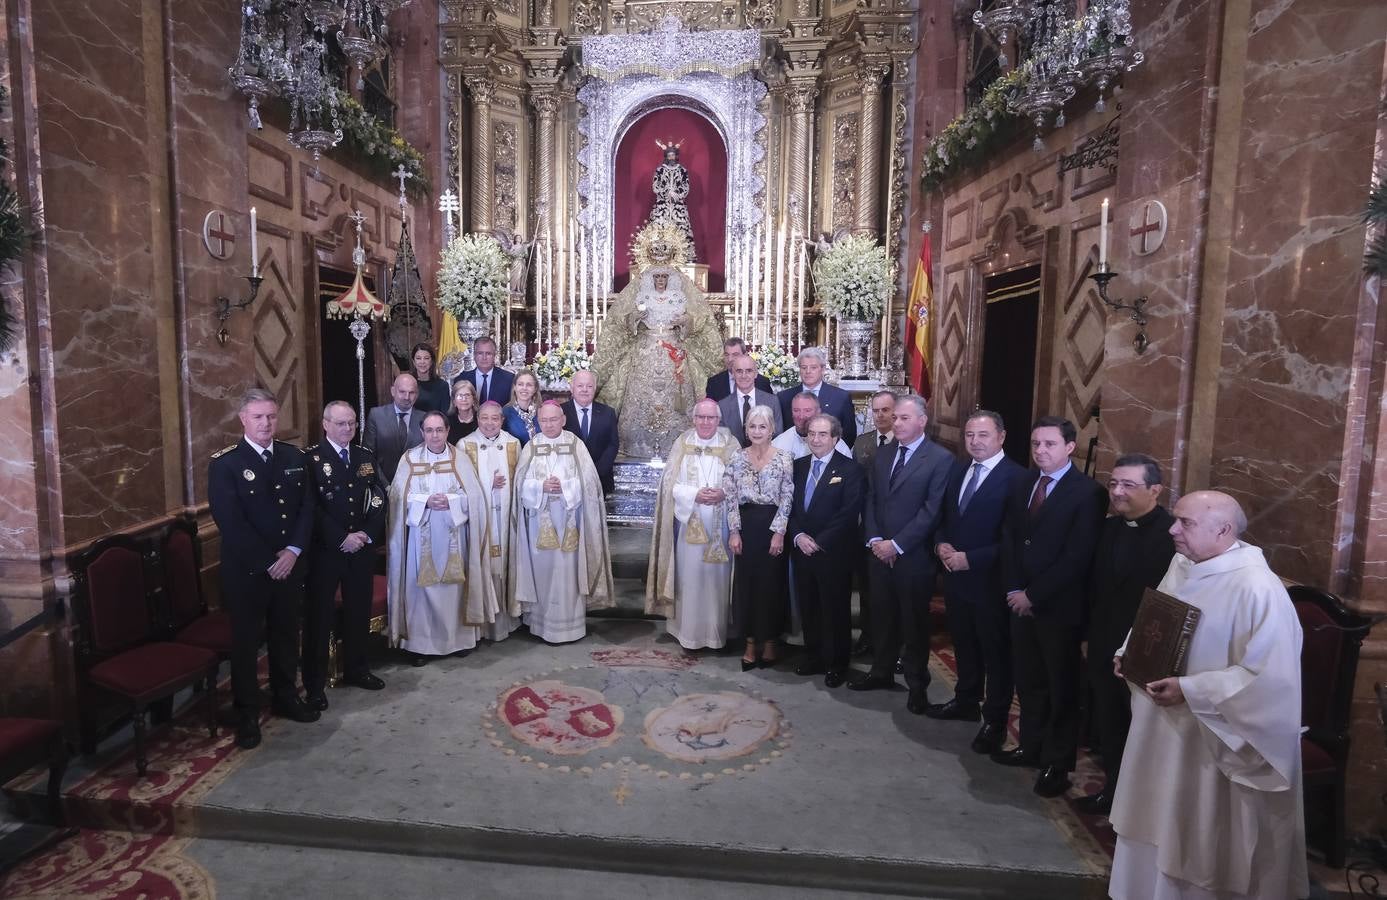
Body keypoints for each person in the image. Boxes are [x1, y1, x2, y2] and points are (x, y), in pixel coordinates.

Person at [1109, 491, 1307, 900]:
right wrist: (1129, 654)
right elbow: (1154, 621)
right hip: (1160, 732)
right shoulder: (1184, 565)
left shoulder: (1257, 589)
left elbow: (1270, 681)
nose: (1171, 529)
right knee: (1152, 820)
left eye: (1185, 523)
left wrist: (1190, 690)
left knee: (1195, 837)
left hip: (1209, 744)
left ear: (1224, 530)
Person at [995, 415, 1107, 799]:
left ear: (1070, 447)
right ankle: (1030, 744)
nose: (1041, 451)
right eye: (1036, 444)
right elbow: (1010, 538)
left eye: (1050, 445)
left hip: (1057, 607)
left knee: (1061, 686)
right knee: (1028, 680)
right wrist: (1014, 588)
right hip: (1018, 599)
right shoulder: (1024, 481)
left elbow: (1077, 555)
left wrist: (1034, 595)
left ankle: (1057, 763)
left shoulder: (1088, 493)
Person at [207, 388, 319, 750]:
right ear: (243, 419)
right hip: (248, 572)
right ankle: (247, 712)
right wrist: (269, 561)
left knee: (286, 634)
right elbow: (231, 522)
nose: (266, 423)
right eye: (258, 417)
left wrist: (293, 551)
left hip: (289, 565)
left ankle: (286, 696)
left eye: (271, 416)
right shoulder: (225, 464)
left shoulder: (293, 456)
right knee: (245, 643)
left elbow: (306, 507)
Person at [1076, 452, 1175, 816]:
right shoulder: (1108, 528)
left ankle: (1143, 806)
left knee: (1143, 729)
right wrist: (1088, 636)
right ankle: (1114, 791)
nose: (1117, 492)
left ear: (1155, 490)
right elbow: (1093, 588)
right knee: (1111, 723)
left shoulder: (1172, 537)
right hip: (1104, 643)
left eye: (1128, 485)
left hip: (1147, 649)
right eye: (1113, 483)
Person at [927, 410, 1027, 754]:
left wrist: (972, 558)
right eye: (970, 435)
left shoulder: (1017, 478)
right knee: (965, 644)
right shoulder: (959, 470)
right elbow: (944, 517)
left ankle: (996, 720)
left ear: (1001, 437)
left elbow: (1014, 540)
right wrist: (940, 543)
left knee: (995, 654)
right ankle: (965, 700)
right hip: (955, 580)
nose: (975, 442)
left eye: (983, 435)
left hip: (990, 582)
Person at [850, 395, 952, 712]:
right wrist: (876, 539)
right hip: (879, 553)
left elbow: (932, 510)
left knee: (913, 624)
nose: (897, 423)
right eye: (895, 418)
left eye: (904, 418)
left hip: (913, 556)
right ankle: (880, 671)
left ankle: (917, 685)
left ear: (922, 420)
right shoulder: (883, 454)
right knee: (881, 617)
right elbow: (871, 499)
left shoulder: (940, 459)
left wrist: (897, 544)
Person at [385, 411, 493, 665]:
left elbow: (475, 499)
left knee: (454, 589)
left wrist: (452, 500)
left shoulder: (461, 459)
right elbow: (397, 499)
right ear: (422, 433)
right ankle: (421, 646)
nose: (434, 435)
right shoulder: (409, 460)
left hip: (453, 536)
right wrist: (425, 501)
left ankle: (458, 641)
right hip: (420, 539)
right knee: (420, 591)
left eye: (439, 430)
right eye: (429, 430)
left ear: (447, 431)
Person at [301, 401, 387, 712]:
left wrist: (365, 535)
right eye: (340, 424)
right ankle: (314, 685)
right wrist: (341, 538)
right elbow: (312, 508)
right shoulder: (311, 460)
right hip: (327, 552)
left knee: (358, 610)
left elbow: (378, 497)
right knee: (319, 617)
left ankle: (357, 668)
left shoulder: (363, 456)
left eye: (351, 423)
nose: (347, 429)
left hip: (361, 549)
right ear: (325, 424)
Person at [591, 264, 722, 459]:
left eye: (664, 276)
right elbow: (619, 320)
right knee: (640, 392)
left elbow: (701, 320)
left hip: (675, 352)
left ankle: (678, 442)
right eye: (657, 276)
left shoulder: (680, 294)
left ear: (670, 279)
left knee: (678, 394)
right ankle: (638, 443)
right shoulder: (640, 294)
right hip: (645, 350)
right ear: (651, 279)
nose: (660, 280)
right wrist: (634, 317)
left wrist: (686, 321)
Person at [510, 402, 614, 642]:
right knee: (543, 571)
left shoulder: (576, 445)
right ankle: (540, 623)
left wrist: (565, 487)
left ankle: (570, 625)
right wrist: (540, 486)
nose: (549, 424)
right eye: (544, 420)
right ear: (539, 421)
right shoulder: (532, 447)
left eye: (553, 419)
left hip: (571, 522)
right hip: (539, 523)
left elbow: (589, 484)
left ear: (563, 419)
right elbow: (520, 486)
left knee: (567, 572)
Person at [646, 399, 736, 651]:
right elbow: (669, 485)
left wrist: (722, 493)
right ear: (693, 419)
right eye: (701, 418)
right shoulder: (682, 444)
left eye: (711, 418)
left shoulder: (730, 444)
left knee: (717, 581)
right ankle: (688, 633)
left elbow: (741, 479)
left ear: (719, 421)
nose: (706, 423)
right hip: (689, 529)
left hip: (721, 528)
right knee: (690, 578)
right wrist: (694, 494)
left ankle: (716, 634)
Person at [787, 414, 866, 688]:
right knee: (809, 607)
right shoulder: (796, 466)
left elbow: (848, 513)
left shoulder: (850, 469)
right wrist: (797, 536)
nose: (816, 439)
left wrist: (818, 541)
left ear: (835, 438)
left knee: (834, 609)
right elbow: (789, 507)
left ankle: (836, 663)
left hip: (833, 553)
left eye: (822, 434)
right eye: (811, 434)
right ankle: (814, 656)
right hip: (801, 550)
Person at [723, 405, 793, 670]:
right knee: (747, 587)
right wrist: (734, 531)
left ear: (772, 429)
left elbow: (787, 496)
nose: (757, 431)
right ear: (746, 430)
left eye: (762, 426)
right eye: (752, 426)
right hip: (746, 527)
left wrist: (779, 532)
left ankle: (771, 642)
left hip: (773, 527)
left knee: (772, 587)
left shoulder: (784, 457)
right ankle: (751, 643)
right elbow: (730, 498)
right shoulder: (737, 458)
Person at [461, 401, 523, 642]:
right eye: (484, 418)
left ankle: (507, 619)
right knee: (484, 564)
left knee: (506, 564)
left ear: (502, 420)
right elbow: (463, 486)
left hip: (506, 519)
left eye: (495, 418)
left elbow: (519, 482)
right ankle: (483, 623)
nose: (489, 423)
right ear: (478, 419)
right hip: (481, 520)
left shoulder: (512, 444)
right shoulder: (465, 445)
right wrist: (489, 485)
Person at [849, 390, 897, 657]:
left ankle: (894, 644)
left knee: (893, 592)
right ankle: (867, 636)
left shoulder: (902, 442)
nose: (879, 416)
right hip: (865, 525)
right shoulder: (863, 442)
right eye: (875, 411)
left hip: (893, 528)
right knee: (866, 586)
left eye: (885, 410)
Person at [776, 346, 857, 447]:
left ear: (822, 369)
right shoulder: (784, 397)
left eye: (813, 367)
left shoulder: (841, 397)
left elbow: (849, 434)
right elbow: (780, 432)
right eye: (804, 367)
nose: (808, 371)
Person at [561, 369, 619, 494]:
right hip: (567, 480)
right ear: (572, 388)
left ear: (595, 389)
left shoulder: (608, 413)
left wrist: (596, 473)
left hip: (600, 480)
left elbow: (612, 445)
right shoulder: (560, 412)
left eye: (589, 386)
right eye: (580, 386)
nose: (584, 390)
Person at [363, 373, 426, 488]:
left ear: (417, 394)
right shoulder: (376, 415)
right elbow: (367, 456)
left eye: (411, 392)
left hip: (417, 489)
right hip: (382, 488)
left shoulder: (425, 419)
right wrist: (385, 486)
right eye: (402, 392)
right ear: (393, 391)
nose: (407, 397)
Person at [716, 353, 782, 447]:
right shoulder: (722, 405)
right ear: (733, 374)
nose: (744, 376)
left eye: (749, 371)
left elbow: (778, 435)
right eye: (739, 371)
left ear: (755, 374)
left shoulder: (772, 401)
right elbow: (721, 439)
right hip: (733, 459)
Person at [772, 392, 851, 460]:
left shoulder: (836, 444)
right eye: (796, 410)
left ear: (818, 412)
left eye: (807, 410)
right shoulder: (779, 444)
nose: (801, 416)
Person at [705, 337, 772, 402]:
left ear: (745, 354)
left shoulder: (762, 383)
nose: (730, 359)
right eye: (727, 355)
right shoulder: (714, 383)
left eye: (735, 354)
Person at [453, 336, 514, 407]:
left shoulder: (508, 379)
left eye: (488, 353)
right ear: (474, 355)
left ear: (494, 355)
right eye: (480, 353)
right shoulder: (461, 379)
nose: (484, 358)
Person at [503, 370, 542, 445]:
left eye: (529, 385)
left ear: (535, 388)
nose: (524, 388)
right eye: (520, 384)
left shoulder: (542, 410)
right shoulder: (506, 412)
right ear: (514, 387)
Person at [410, 343, 451, 414]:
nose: (422, 362)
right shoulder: (408, 384)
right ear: (413, 361)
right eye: (418, 358)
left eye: (426, 358)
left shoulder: (442, 386)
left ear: (432, 361)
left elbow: (444, 415)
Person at [447, 380, 480, 444]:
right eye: (460, 396)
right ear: (454, 401)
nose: (464, 399)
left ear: (473, 400)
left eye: (467, 395)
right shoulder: (446, 422)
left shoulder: (481, 420)